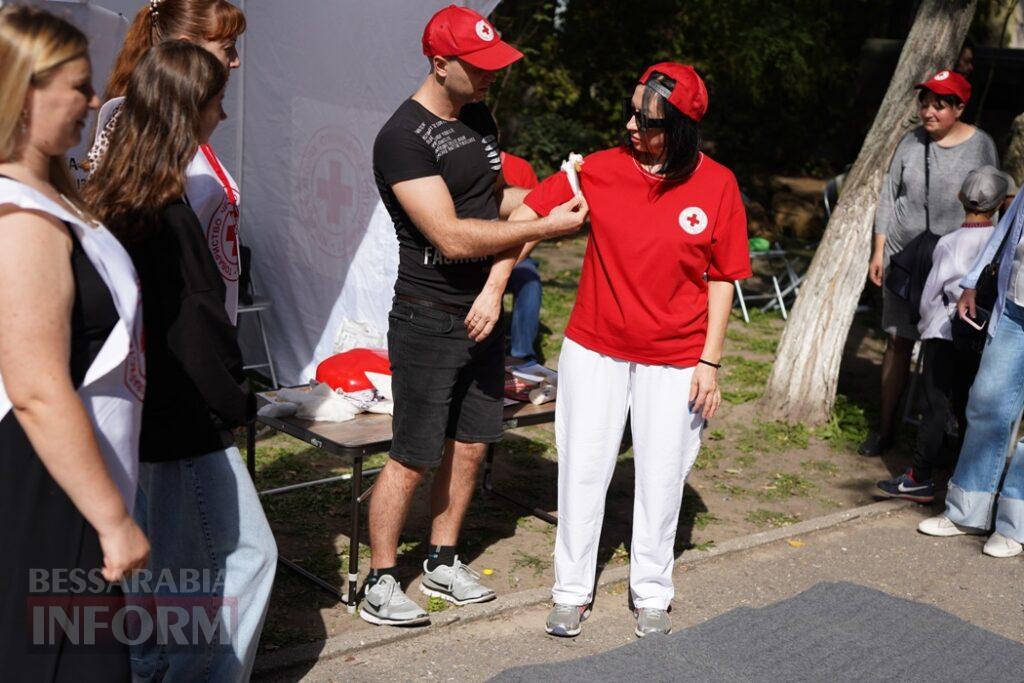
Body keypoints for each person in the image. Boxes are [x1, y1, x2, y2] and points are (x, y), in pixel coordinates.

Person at [506, 63, 751, 638]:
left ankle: (652, 593)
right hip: (596, 348)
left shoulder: (717, 184)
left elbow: (722, 277)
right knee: (582, 468)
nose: (631, 124)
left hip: (678, 357)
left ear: (683, 129)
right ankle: (570, 590)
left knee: (662, 475)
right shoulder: (598, 169)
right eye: (631, 111)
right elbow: (525, 216)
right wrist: (491, 275)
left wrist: (709, 363)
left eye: (647, 119)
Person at [365, 4, 588, 626]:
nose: (493, 76)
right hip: (428, 311)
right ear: (440, 64)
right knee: (413, 452)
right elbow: (453, 236)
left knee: (470, 446)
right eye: (480, 66)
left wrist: (549, 198)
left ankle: (440, 559)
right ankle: (380, 580)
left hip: (483, 310)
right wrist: (544, 225)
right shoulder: (401, 137)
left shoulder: (478, 116)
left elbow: (493, 200)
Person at [84, 41, 275, 681]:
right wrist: (238, 401)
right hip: (178, 420)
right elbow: (193, 330)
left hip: (132, 417)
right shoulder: (162, 214)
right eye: (217, 104)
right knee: (241, 558)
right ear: (189, 111)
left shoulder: (109, 195)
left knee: (156, 575)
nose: (222, 117)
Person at [0, 6, 149, 679]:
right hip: (42, 484)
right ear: (22, 90)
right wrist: (113, 518)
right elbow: (34, 385)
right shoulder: (20, 218)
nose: (95, 100)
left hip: (61, 471)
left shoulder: (45, 196)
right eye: (80, 86)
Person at [863, 69, 998, 456]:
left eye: (939, 104)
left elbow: (991, 205)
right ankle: (885, 429)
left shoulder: (981, 146)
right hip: (905, 258)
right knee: (897, 341)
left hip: (954, 264)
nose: (928, 111)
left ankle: (941, 440)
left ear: (959, 106)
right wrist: (878, 249)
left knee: (946, 351)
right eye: (924, 103)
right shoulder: (910, 142)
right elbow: (890, 195)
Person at [90, 0, 246, 322]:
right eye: (227, 48)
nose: (235, 62)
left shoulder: (188, 124)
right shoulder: (141, 128)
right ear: (188, 50)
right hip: (174, 329)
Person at [877, 166, 1014, 503]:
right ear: (1000, 205)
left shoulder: (950, 243)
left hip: (943, 331)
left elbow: (931, 292)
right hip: (981, 334)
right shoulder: (1002, 244)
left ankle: (919, 477)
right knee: (971, 402)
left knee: (935, 404)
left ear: (959, 197)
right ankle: (965, 475)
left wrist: (924, 326)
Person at [917, 177, 1024, 559]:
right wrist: (974, 280)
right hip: (1015, 305)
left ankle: (1016, 525)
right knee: (985, 404)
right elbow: (1012, 224)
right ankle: (967, 512)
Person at [500, 150, 543, 362]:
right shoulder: (462, 163)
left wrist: (509, 262)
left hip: (517, 252)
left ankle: (521, 355)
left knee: (529, 281)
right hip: (475, 252)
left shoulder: (520, 167)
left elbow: (537, 214)